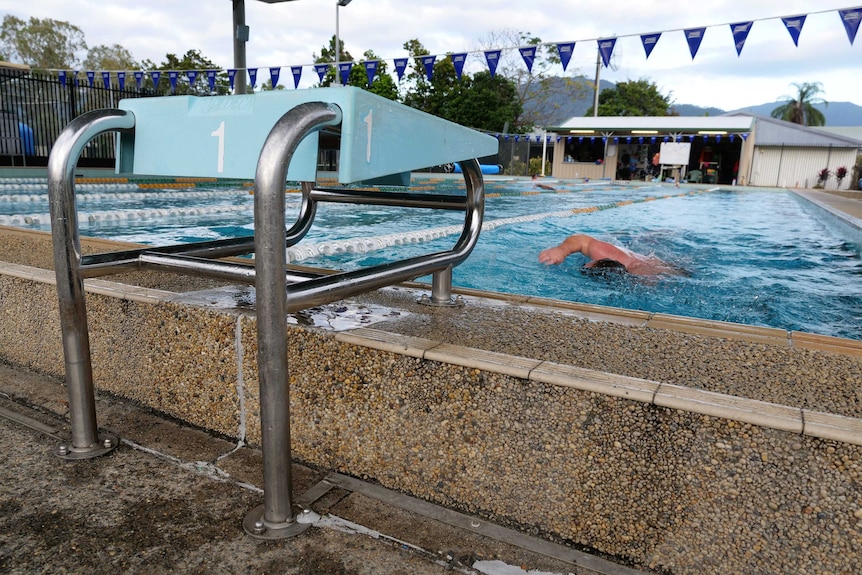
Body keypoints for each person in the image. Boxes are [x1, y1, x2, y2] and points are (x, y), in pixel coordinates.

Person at [538, 233, 685, 276]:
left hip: (663, 267)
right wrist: (561, 250)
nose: (586, 263)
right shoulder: (603, 252)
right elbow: (582, 241)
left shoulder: (643, 274)